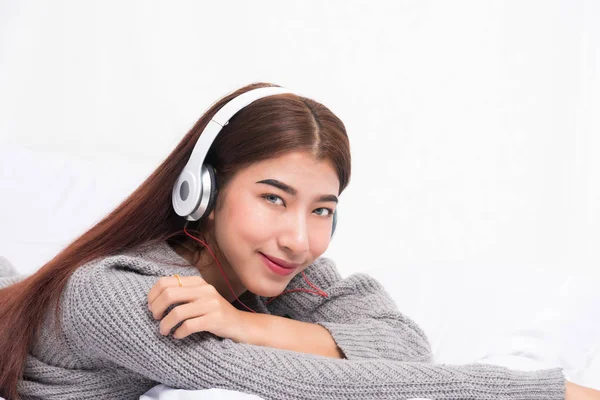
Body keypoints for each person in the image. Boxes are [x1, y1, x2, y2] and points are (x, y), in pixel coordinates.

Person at [0, 82, 597, 400]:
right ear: (200, 193)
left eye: (322, 210)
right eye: (273, 198)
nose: (298, 239)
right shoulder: (117, 295)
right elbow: (308, 382)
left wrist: (250, 324)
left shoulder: (287, 279)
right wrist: (541, 393)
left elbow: (402, 349)